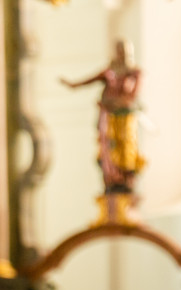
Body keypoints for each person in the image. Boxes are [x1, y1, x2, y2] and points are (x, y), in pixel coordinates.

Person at [61, 39, 146, 194]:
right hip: (108, 115)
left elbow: (133, 94)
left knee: (125, 145)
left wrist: (119, 102)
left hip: (124, 117)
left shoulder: (134, 72)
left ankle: (125, 177)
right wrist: (74, 85)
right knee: (108, 145)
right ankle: (112, 176)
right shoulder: (110, 71)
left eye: (123, 50)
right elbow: (91, 79)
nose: (121, 53)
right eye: (118, 50)